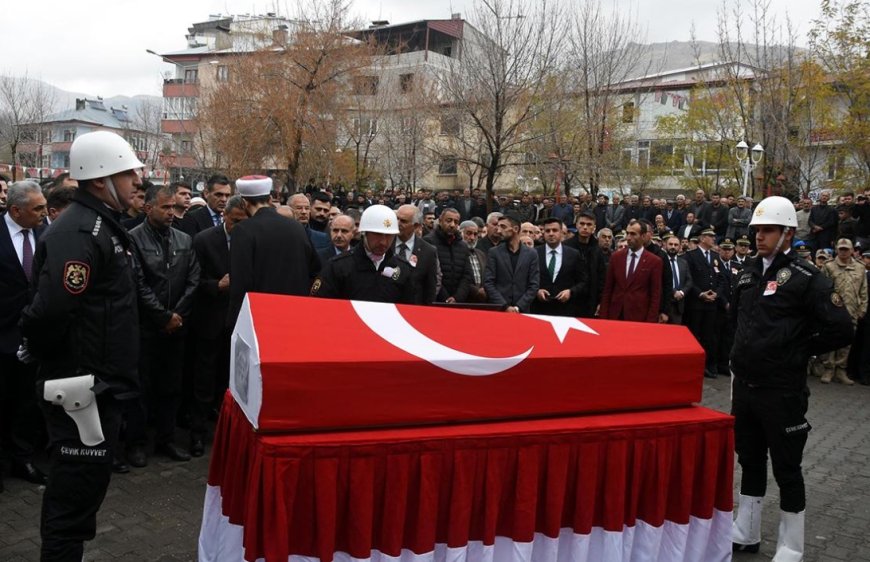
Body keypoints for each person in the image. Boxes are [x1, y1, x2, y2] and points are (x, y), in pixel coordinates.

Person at [20, 130, 144, 560]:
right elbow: (51, 311)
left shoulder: (102, 226)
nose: (138, 181)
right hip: (80, 388)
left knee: (85, 490)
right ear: (100, 179)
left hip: (99, 385)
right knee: (72, 497)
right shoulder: (79, 231)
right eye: (127, 173)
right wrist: (53, 359)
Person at [730, 196, 853, 560]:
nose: (759, 236)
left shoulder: (807, 278)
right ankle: (746, 530)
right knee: (750, 459)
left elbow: (841, 328)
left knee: (787, 467)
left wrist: (799, 349)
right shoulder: (749, 270)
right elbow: (740, 320)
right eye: (757, 230)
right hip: (746, 386)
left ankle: (791, 544)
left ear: (787, 233)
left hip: (782, 390)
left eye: (768, 230)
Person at [127, 185, 200, 465]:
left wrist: (176, 315)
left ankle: (166, 439)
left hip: (177, 326)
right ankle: (136, 443)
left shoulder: (184, 239)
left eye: (173, 207)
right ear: (148, 208)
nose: (172, 212)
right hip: (146, 326)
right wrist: (162, 316)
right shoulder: (133, 238)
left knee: (171, 387)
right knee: (141, 387)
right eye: (166, 207)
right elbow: (137, 283)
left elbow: (193, 279)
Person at [189, 195, 248, 457]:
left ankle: (229, 434)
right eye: (235, 222)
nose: (239, 227)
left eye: (244, 222)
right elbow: (193, 280)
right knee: (203, 379)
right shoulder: (204, 241)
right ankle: (197, 434)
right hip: (210, 320)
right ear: (224, 216)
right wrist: (216, 285)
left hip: (239, 323)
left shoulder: (252, 240)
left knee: (232, 381)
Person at [0, 181, 49, 493]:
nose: (44, 213)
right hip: (2, 331)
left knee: (27, 402)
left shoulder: (46, 234)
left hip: (33, 334)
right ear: (16, 210)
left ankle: (22, 458)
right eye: (38, 208)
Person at [227, 176, 320, 326]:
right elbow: (315, 269)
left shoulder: (243, 230)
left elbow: (241, 281)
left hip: (260, 316)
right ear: (270, 199)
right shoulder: (296, 227)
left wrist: (235, 322)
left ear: (244, 203)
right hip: (296, 313)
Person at [312, 204, 416, 303]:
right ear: (365, 233)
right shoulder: (338, 267)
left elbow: (410, 309)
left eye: (389, 236)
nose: (383, 242)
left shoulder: (403, 269)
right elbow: (319, 304)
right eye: (377, 234)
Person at [818, 238, 867, 385]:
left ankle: (841, 370)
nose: (843, 252)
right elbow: (822, 289)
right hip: (833, 310)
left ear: (852, 250)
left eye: (846, 249)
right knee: (830, 338)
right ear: (837, 250)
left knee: (847, 341)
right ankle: (828, 369)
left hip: (852, 309)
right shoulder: (829, 266)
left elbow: (863, 290)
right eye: (841, 249)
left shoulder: (860, 268)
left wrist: (862, 309)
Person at [599, 219, 663, 322]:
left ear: (643, 236)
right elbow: (608, 289)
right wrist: (603, 316)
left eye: (633, 234)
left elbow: (655, 295)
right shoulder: (616, 257)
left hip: (639, 317)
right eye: (627, 233)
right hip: (615, 315)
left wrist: (650, 322)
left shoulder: (654, 261)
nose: (628, 237)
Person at [483, 213, 539, 313]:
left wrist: (518, 307)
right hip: (499, 310)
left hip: (522, 311)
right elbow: (488, 283)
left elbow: (534, 285)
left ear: (515, 229)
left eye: (503, 227)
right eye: (498, 226)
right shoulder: (494, 252)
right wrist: (505, 306)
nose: (498, 230)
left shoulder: (531, 254)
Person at [532, 218, 587, 317]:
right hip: (539, 309)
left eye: (555, 230)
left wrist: (570, 292)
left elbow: (583, 281)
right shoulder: (534, 253)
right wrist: (537, 291)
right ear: (543, 233)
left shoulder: (574, 254)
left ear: (561, 232)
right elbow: (526, 278)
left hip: (565, 310)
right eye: (548, 231)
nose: (551, 233)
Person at [395, 204, 439, 304]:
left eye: (403, 221)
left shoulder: (428, 251)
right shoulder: (385, 244)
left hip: (413, 307)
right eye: (397, 219)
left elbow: (430, 289)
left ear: (416, 226)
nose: (397, 223)